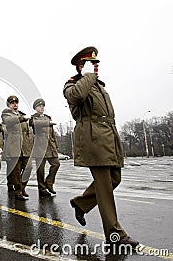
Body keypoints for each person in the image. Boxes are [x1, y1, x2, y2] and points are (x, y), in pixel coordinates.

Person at [63, 46, 139, 247]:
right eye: (91, 64)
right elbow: (76, 98)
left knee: (114, 178)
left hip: (108, 137)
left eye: (96, 64)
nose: (95, 67)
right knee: (104, 187)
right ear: (81, 66)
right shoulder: (73, 84)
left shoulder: (99, 86)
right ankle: (115, 234)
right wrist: (87, 75)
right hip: (93, 139)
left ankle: (81, 203)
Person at [1, 95, 31, 200]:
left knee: (28, 168)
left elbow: (26, 133)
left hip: (25, 147)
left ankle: (22, 188)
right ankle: (18, 191)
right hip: (14, 146)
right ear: (9, 105)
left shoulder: (22, 115)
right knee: (16, 170)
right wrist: (21, 118)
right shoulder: (6, 114)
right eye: (12, 103)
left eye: (16, 103)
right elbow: (9, 122)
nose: (15, 104)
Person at [29, 98, 60, 196]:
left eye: (43, 106)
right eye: (39, 106)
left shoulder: (48, 117)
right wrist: (48, 123)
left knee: (56, 164)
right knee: (40, 170)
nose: (41, 108)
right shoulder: (33, 118)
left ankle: (49, 183)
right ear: (35, 108)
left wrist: (55, 145)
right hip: (39, 147)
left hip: (50, 146)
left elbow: (52, 133)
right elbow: (35, 124)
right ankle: (42, 189)